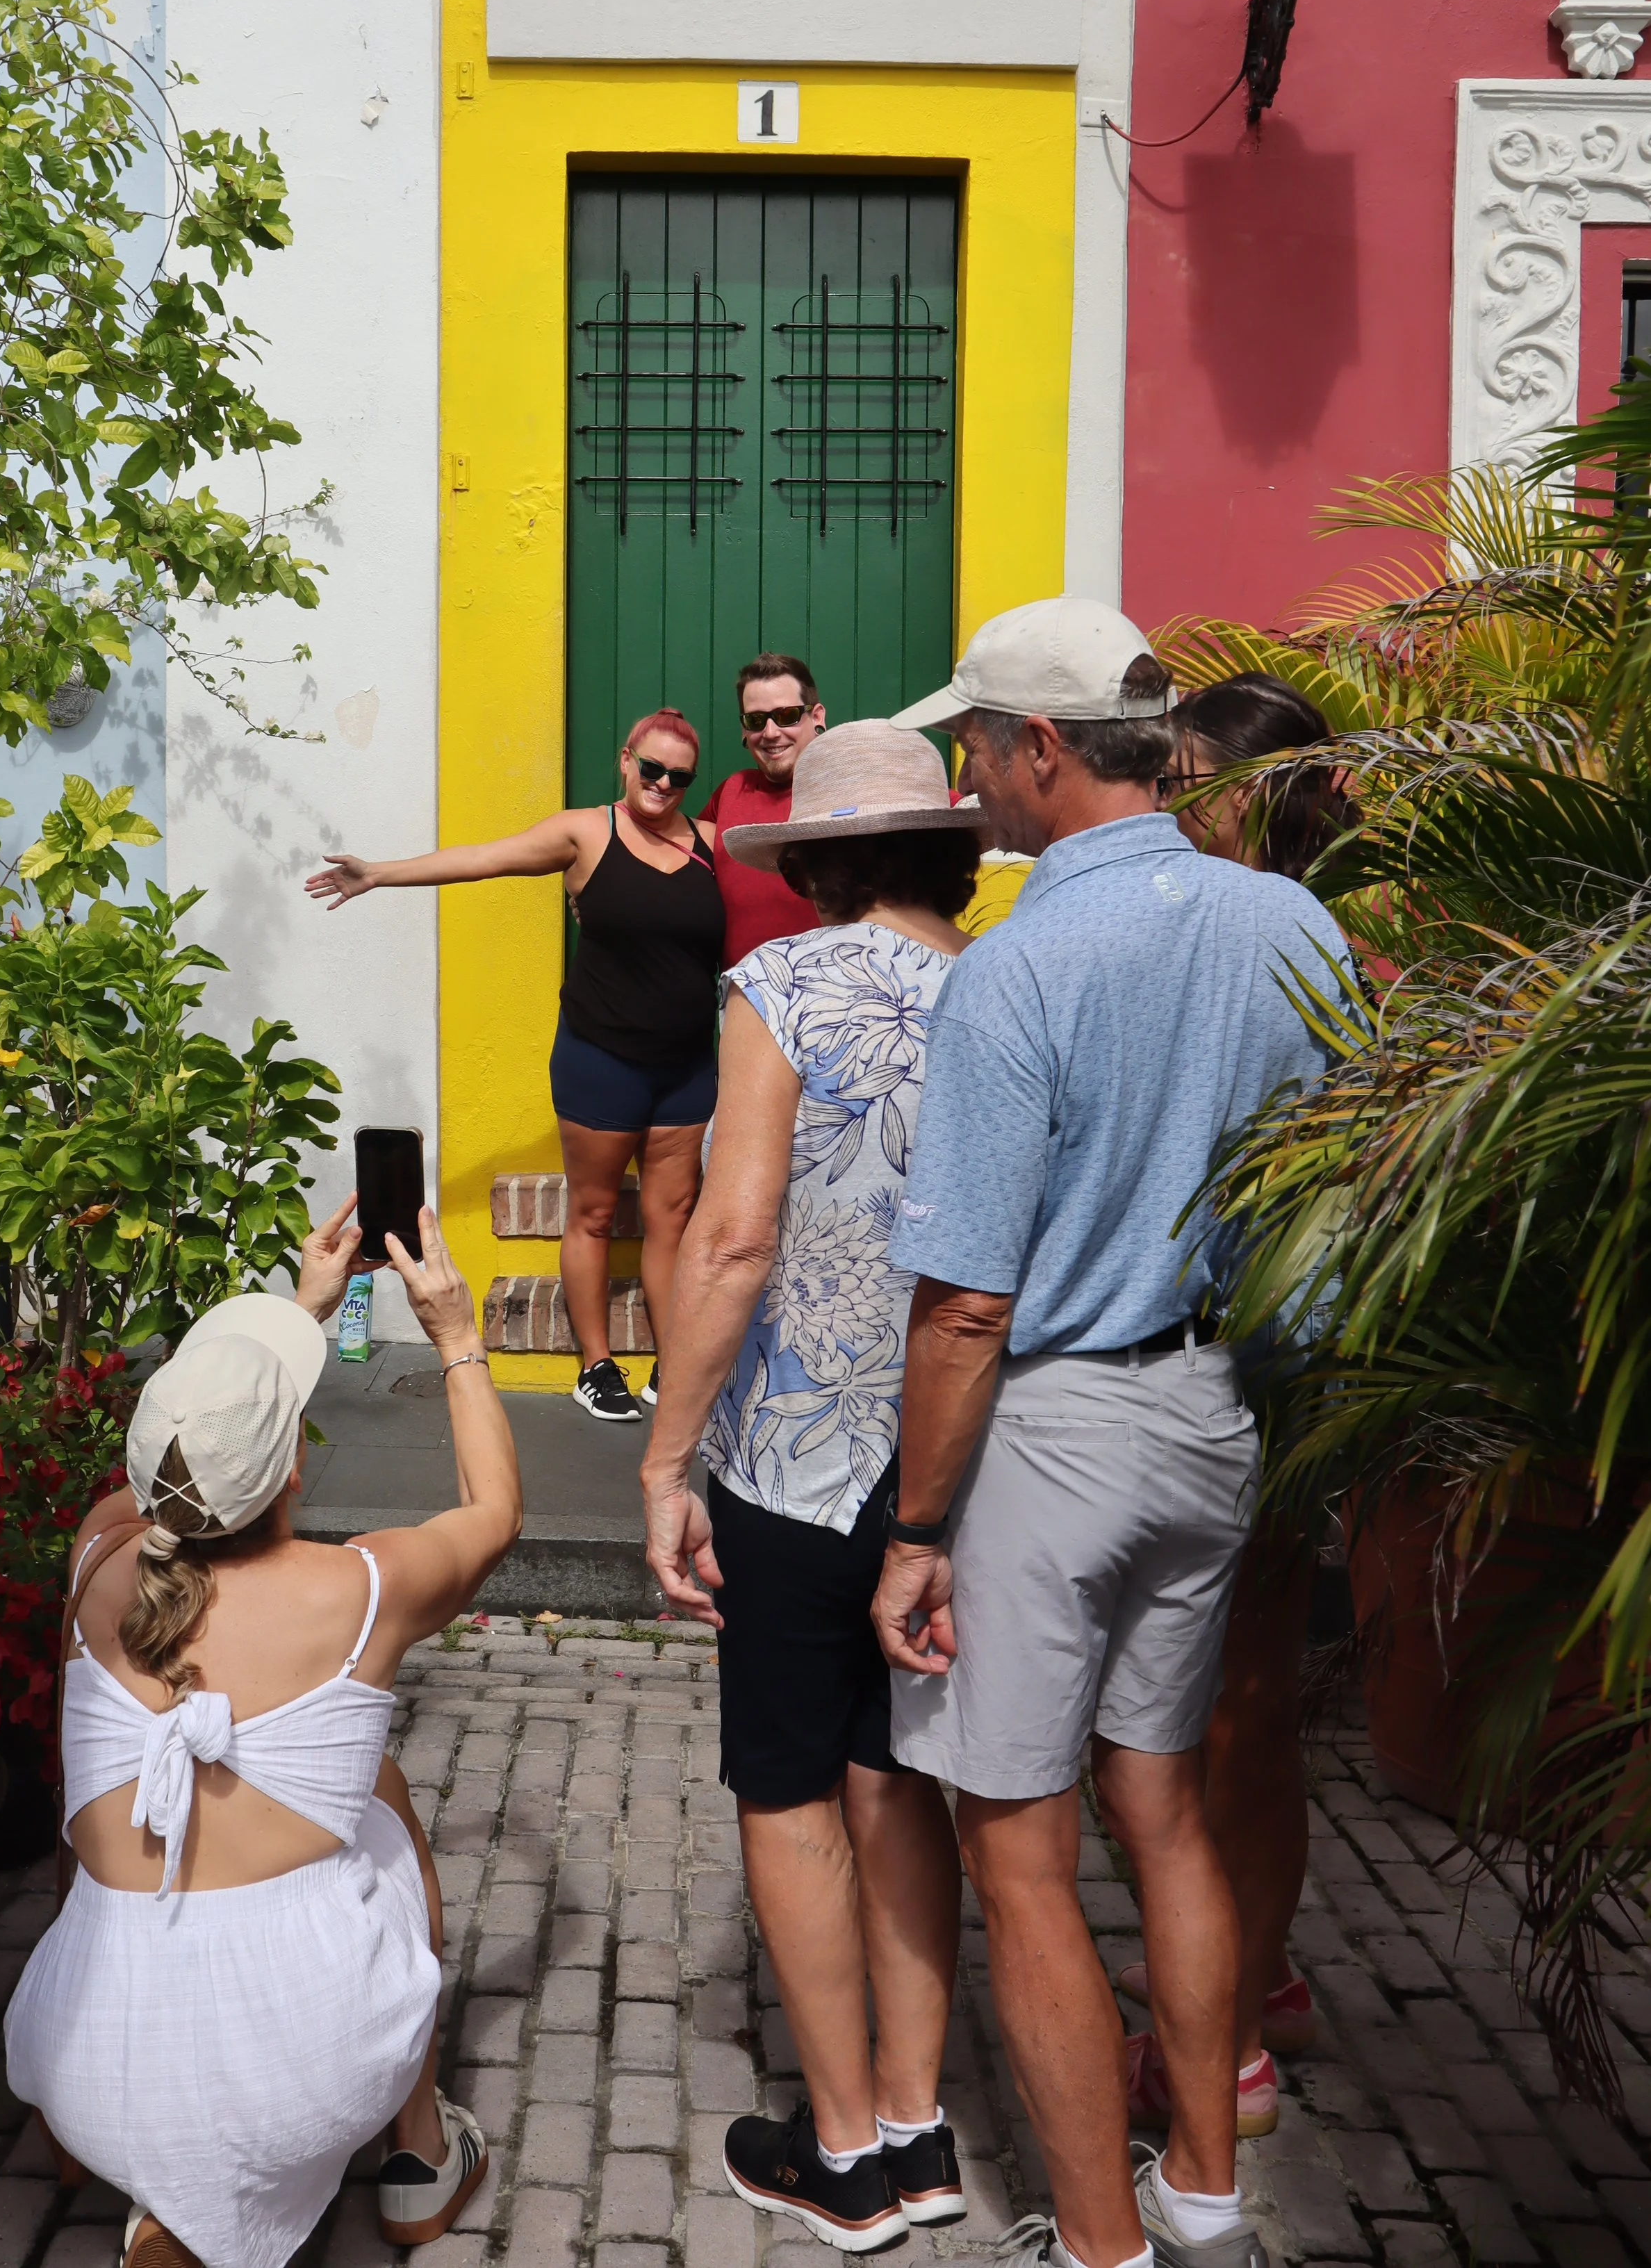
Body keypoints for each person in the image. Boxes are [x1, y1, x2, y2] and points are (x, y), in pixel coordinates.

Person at [867, 596, 1347, 2268]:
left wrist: (913, 1530)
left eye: (973, 742)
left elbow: (963, 1307)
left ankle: (1096, 2244)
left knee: (1020, 1855)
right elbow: (1332, 1209)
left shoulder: (1017, 967)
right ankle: (1203, 2198)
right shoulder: (1293, 927)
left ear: (1040, 748)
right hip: (1215, 1409)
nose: (965, 775)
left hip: (1054, 1429)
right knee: (1165, 1806)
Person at [3, 1197, 523, 2268]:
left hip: (75, 2045)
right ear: (291, 1468)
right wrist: (457, 1337)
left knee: (120, 1790)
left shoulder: (99, 1554)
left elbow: (188, 1480)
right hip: (306, 2067)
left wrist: (298, 1312)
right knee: (376, 1791)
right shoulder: (360, 1589)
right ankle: (419, 2154)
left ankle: (129, 2172)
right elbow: (495, 1511)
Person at [643, 723, 983, 2252]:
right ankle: (917, 2126)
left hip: (795, 1449)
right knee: (895, 1772)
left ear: (823, 863)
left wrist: (666, 1455)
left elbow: (733, 1236)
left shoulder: (780, 984)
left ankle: (840, 2151)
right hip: (948, 1459)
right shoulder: (1005, 985)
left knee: (786, 1783)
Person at [1119, 671, 1357, 2138]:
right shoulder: (1309, 928)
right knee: (1241, 1705)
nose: (1162, 801)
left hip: (1247, 1354)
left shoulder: (1259, 931)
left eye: (1181, 778)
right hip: (1287, 1355)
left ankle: (1223, 2045)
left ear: (1239, 793)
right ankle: (1256, 1980)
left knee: (1211, 1721)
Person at [306, 709, 724, 1422]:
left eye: (678, 777)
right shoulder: (587, 832)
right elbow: (483, 859)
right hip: (602, 1061)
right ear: (626, 760)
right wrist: (378, 874)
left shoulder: (712, 845)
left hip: (686, 1069)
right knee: (593, 1213)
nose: (662, 784)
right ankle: (597, 1366)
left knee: (673, 1218)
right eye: (651, 768)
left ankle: (675, 1361)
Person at [699, 652, 828, 966]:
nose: (770, 733)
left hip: (834, 992)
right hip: (740, 992)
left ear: (817, 717)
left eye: (787, 715)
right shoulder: (731, 793)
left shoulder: (857, 787)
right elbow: (670, 853)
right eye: (756, 721)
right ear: (744, 730)